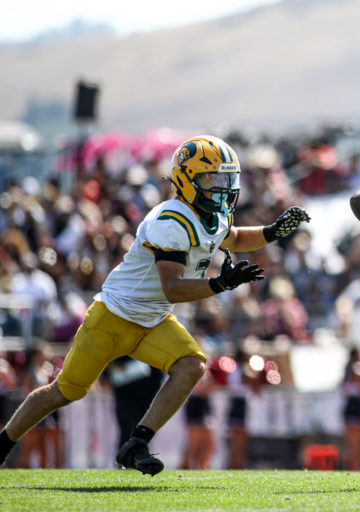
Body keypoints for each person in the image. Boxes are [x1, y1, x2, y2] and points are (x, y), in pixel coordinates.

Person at [0, 134, 311, 475]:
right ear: (187, 180)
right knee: (64, 391)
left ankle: (137, 443)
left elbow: (232, 236)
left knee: (192, 365)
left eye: (227, 178)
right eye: (213, 179)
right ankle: (3, 443)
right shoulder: (170, 220)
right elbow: (173, 288)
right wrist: (222, 283)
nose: (223, 187)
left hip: (152, 319)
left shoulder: (209, 213)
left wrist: (273, 231)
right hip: (113, 317)